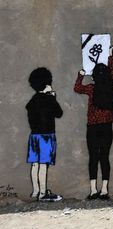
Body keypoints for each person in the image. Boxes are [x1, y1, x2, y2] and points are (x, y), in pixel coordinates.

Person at [74, 46, 113, 200]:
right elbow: (111, 71)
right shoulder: (109, 84)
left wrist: (80, 75)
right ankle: (104, 190)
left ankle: (93, 190)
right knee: (104, 157)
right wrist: (111, 55)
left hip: (92, 127)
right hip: (107, 126)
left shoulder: (91, 88)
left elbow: (77, 88)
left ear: (94, 77)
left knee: (93, 157)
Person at [26, 67, 63, 202]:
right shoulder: (48, 100)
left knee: (34, 164)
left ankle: (35, 191)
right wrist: (53, 97)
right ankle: (43, 193)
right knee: (43, 164)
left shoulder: (32, 101)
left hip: (34, 136)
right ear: (48, 83)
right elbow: (59, 113)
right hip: (46, 136)